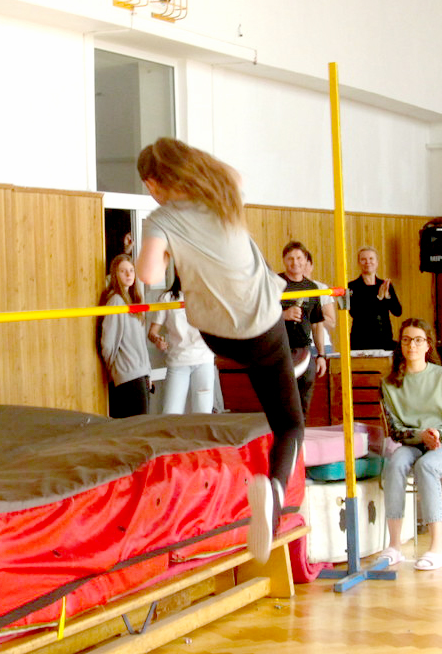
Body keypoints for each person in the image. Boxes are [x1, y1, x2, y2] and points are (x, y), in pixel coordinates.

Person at [135, 138, 301, 564]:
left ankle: (292, 368)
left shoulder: (161, 218)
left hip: (214, 337)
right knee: (289, 424)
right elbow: (233, 173)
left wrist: (165, 251)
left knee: (272, 367)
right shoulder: (224, 192)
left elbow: (148, 276)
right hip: (263, 329)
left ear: (154, 182)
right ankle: (275, 491)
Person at [375, 319, 442, 572]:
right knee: (395, 463)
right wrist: (420, 435)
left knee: (426, 466)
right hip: (413, 442)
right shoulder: (389, 383)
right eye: (406, 340)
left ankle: (437, 548)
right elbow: (395, 430)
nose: (412, 345)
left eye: (418, 340)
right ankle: (394, 546)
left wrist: (438, 433)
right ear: (400, 345)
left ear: (428, 345)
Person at [278, 240, 332, 416]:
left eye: (299, 258)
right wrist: (283, 315)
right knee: (282, 397)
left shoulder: (312, 287)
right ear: (284, 260)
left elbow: (317, 324)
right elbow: (261, 314)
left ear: (306, 261)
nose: (295, 262)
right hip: (280, 350)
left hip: (304, 350)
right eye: (290, 258)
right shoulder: (275, 283)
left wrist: (321, 355)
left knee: (304, 397)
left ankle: (300, 430)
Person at [148, 274, 216, 414]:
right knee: (171, 412)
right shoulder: (167, 298)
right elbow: (152, 332)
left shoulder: (207, 296)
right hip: (178, 361)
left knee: (204, 412)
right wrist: (157, 340)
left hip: (204, 359)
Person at [99, 253, 152, 418]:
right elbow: (107, 342)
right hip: (128, 375)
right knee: (137, 425)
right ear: (115, 275)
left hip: (141, 373)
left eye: (131, 270)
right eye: (123, 271)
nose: (129, 274)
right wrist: (115, 369)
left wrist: (147, 372)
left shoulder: (134, 300)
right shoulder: (116, 301)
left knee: (142, 423)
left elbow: (140, 344)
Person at [347, 246, 402, 351]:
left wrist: (387, 297)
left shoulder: (385, 285)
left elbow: (398, 311)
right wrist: (378, 297)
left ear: (377, 262)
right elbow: (355, 313)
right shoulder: (352, 286)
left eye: (371, 259)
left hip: (384, 338)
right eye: (363, 259)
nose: (368, 262)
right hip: (361, 340)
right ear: (358, 263)